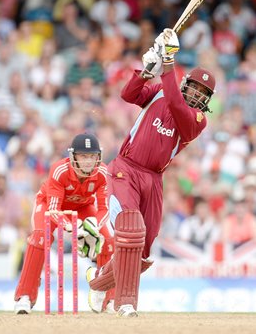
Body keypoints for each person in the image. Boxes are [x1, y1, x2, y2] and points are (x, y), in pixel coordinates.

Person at [86, 28, 216, 317]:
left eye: (203, 93)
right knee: (131, 229)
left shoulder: (197, 120)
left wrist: (167, 62)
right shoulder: (159, 90)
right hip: (126, 169)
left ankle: (98, 284)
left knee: (143, 251)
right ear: (186, 84)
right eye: (194, 87)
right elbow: (127, 93)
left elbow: (175, 105)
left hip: (154, 180)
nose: (197, 94)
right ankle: (126, 303)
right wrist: (147, 70)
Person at [14, 133, 114, 314]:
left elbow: (104, 209)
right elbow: (54, 209)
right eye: (83, 156)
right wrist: (74, 229)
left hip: (83, 206)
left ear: (98, 156)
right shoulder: (59, 170)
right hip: (48, 205)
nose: (88, 161)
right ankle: (25, 297)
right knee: (40, 237)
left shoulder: (103, 173)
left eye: (92, 156)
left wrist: (93, 228)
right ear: (73, 156)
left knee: (107, 240)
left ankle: (109, 299)